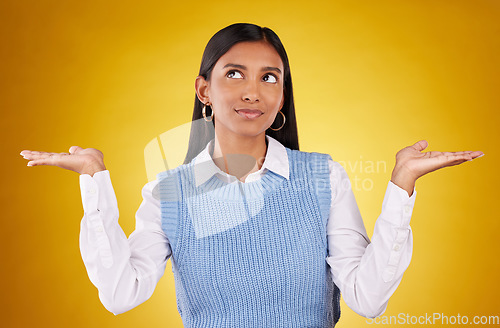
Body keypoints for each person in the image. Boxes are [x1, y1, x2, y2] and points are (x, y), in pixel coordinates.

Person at [20, 23, 483, 328]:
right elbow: (122, 293)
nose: (252, 92)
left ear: (282, 95)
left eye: (269, 78)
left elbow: (367, 298)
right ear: (204, 89)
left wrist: (401, 187)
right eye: (235, 74)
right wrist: (94, 181)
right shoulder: (170, 193)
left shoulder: (323, 177)